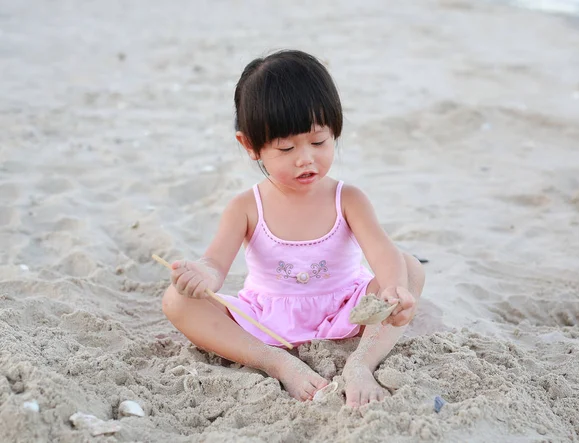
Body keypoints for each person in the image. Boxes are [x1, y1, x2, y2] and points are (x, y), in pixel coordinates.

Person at [161, 49, 425, 407]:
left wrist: (395, 290)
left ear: (336, 131)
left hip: (345, 311)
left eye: (319, 141)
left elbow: (383, 253)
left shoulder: (348, 198)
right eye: (286, 148)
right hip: (268, 318)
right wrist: (203, 276)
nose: (306, 159)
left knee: (408, 267)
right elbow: (215, 263)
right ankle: (277, 362)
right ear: (250, 146)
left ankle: (360, 363)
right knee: (177, 301)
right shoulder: (245, 206)